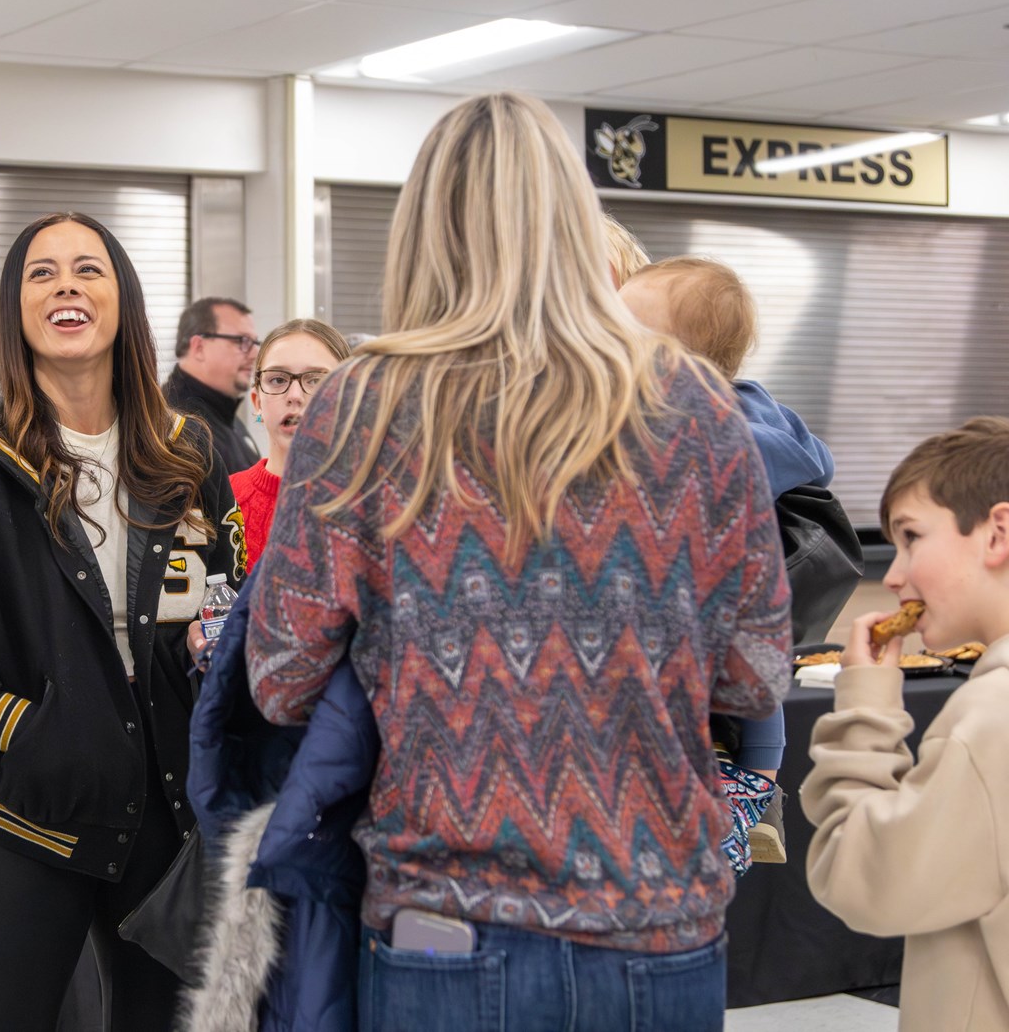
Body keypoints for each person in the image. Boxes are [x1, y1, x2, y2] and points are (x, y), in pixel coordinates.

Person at [246, 93, 792, 1032]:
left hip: (443, 924)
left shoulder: (364, 406)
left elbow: (281, 676)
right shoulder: (698, 406)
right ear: (579, 225)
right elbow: (755, 673)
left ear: (421, 228)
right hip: (658, 924)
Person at [0, 212, 246, 1032]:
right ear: (17, 310)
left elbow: (229, 610)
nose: (66, 284)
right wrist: (19, 728)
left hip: (170, 823)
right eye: (42, 272)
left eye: (88, 269)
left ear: (122, 301)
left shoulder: (195, 456)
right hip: (28, 814)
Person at [620, 255, 841, 868]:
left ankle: (747, 797)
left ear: (676, 358)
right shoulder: (761, 411)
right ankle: (755, 789)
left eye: (623, 326)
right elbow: (817, 456)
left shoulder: (691, 427)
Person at [802, 416, 1009, 1032]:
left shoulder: (989, 719)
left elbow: (864, 881)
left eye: (912, 538)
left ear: (999, 532)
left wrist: (865, 708)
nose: (894, 577)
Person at [231, 318, 351, 569]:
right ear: (257, 402)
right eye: (278, 380)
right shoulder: (224, 501)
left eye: (316, 380)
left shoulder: (373, 504)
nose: (295, 396)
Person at [164, 296, 263, 474]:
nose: (254, 354)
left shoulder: (222, 413)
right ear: (199, 347)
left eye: (255, 343)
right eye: (242, 341)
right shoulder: (177, 426)